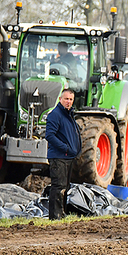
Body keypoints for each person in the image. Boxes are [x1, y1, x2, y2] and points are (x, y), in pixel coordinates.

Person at [45, 89, 81, 220]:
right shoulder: (56, 114)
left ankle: (61, 213)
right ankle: (55, 216)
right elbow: (49, 135)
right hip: (59, 157)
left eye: (71, 99)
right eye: (66, 99)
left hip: (68, 157)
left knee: (64, 187)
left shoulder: (69, 115)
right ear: (60, 99)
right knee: (58, 186)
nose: (69, 102)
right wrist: (65, 148)